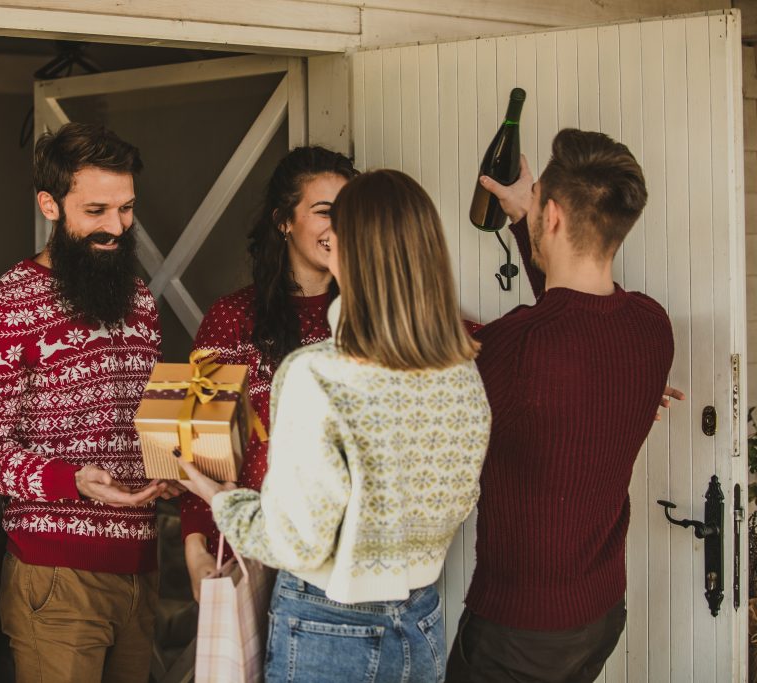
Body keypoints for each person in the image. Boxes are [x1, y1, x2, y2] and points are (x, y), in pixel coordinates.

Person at [180, 169, 492, 683]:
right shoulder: (461, 372)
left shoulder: (317, 372)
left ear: (347, 250)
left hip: (329, 623)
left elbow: (297, 544)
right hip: (422, 619)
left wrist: (224, 501)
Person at [445, 129, 676, 683]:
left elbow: (548, 333)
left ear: (551, 215)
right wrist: (526, 218)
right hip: (600, 612)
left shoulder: (516, 348)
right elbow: (573, 319)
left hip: (519, 632)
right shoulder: (651, 326)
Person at [0, 122, 181, 683]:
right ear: (49, 204)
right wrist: (73, 480)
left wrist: (170, 467)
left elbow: (143, 426)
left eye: (126, 208)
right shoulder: (7, 305)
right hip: (55, 577)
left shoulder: (139, 299)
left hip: (142, 569)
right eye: (96, 210)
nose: (116, 226)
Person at [181, 146, 357, 600]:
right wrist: (196, 551)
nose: (339, 226)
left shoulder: (377, 318)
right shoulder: (231, 320)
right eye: (325, 212)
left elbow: (491, 343)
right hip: (253, 555)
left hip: (345, 569)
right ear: (284, 221)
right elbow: (201, 447)